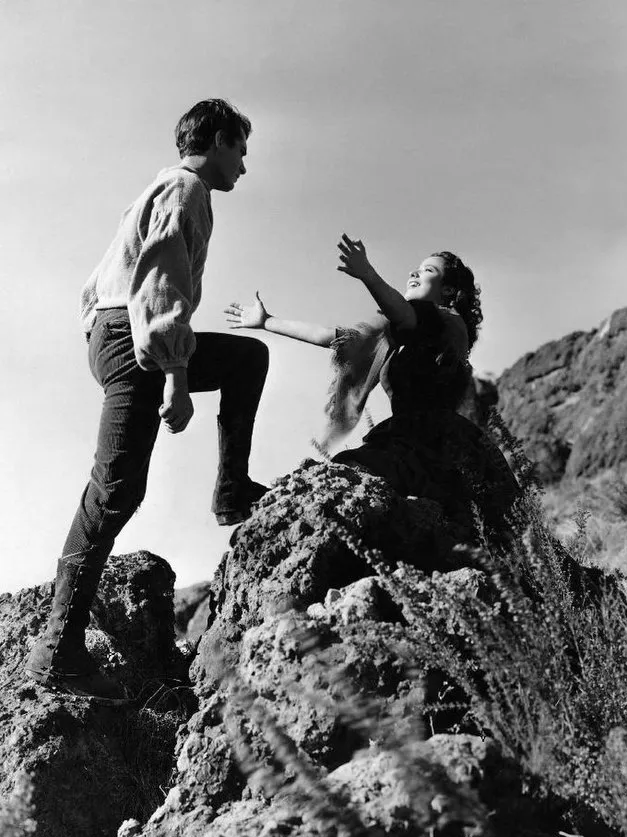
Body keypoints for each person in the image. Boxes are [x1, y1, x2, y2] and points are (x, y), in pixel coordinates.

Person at [26, 99, 269, 703]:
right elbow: (161, 287)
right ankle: (57, 651)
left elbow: (102, 288)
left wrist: (106, 340)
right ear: (216, 140)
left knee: (246, 358)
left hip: (117, 334)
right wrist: (177, 380)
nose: (243, 163)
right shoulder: (186, 190)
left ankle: (231, 489)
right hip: (136, 340)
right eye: (240, 147)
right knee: (114, 490)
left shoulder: (160, 190)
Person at [225, 234, 519, 540]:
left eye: (428, 270)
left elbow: (405, 314)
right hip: (407, 440)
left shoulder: (448, 323)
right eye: (416, 268)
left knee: (343, 481)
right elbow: (334, 338)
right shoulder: (396, 336)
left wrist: (368, 275)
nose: (414, 273)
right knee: (340, 481)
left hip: (439, 447)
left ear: (448, 289)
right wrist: (267, 321)